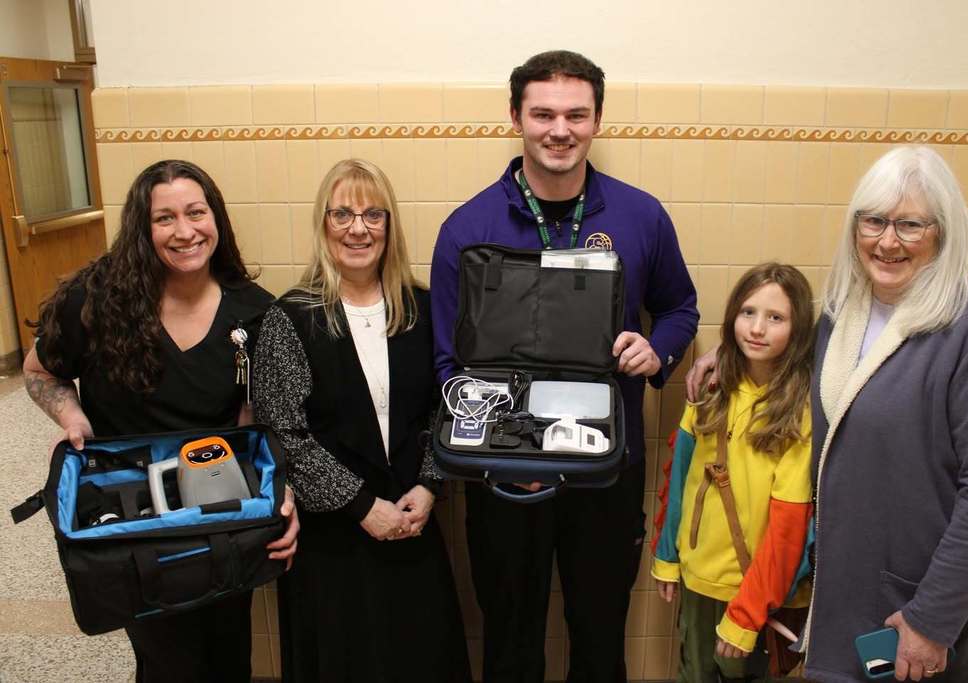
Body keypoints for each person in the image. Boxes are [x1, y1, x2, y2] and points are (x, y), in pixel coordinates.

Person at [686, 146, 968, 683]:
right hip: (851, 602)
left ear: (944, 232)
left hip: (927, 616)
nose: (888, 241)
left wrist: (932, 620)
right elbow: (792, 362)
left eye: (910, 224)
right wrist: (723, 356)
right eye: (874, 221)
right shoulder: (843, 315)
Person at [430, 50, 700, 682]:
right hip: (502, 474)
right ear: (516, 118)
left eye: (576, 114)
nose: (560, 129)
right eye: (543, 113)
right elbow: (448, 362)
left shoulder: (640, 216)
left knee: (600, 632)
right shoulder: (467, 228)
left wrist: (656, 350)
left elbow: (680, 308)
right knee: (510, 635)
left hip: (605, 470)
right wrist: (502, 450)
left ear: (597, 120)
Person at [23, 159, 299, 683]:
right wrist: (71, 413)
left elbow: (256, 423)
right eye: (164, 218)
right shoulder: (95, 300)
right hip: (134, 524)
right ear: (142, 229)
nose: (185, 231)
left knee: (227, 654)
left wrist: (280, 497)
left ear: (215, 217)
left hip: (221, 517)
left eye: (196, 212)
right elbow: (39, 372)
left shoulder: (254, 312)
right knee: (170, 660)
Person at [252, 158, 471, 683]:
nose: (358, 228)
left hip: (411, 521)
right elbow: (285, 432)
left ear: (390, 226)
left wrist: (429, 486)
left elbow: (451, 404)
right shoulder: (292, 317)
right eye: (342, 214)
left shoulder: (421, 309)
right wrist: (360, 506)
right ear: (322, 224)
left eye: (374, 214)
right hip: (332, 541)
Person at [652, 263, 814, 683]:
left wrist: (746, 615)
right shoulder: (708, 389)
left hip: (753, 591)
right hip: (697, 576)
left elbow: (788, 528)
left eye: (775, 318)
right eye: (748, 312)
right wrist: (668, 556)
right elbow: (681, 480)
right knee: (693, 671)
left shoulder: (798, 412)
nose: (757, 328)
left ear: (797, 330)